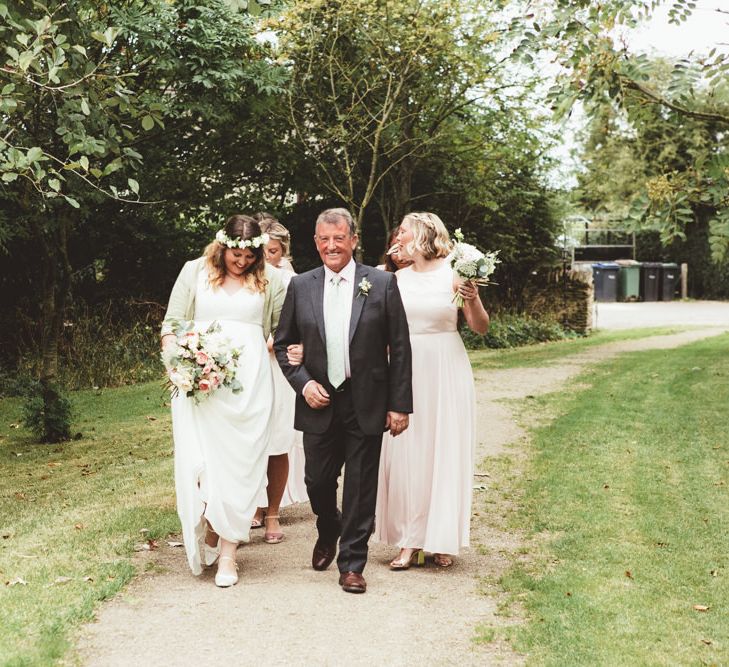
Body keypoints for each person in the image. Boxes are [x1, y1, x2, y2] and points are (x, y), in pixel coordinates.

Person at [274, 207, 413, 594]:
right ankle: (328, 525)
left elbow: (400, 348)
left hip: (366, 398)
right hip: (318, 399)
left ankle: (352, 563)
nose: (331, 246)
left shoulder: (381, 284)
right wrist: (303, 383)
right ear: (315, 242)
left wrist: (400, 404)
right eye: (324, 239)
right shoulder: (301, 285)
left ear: (353, 240)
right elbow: (284, 344)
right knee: (317, 481)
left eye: (339, 238)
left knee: (360, 486)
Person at [161, 215, 285, 587]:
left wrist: (267, 345)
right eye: (236, 253)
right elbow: (172, 324)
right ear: (222, 245)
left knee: (242, 465)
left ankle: (229, 554)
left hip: (249, 386)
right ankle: (212, 528)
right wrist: (180, 366)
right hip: (202, 387)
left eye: (250, 255)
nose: (242, 261)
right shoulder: (194, 272)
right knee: (205, 465)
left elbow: (283, 328)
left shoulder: (271, 280)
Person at [374, 212, 489, 569]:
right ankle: (408, 540)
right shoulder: (393, 278)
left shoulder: (453, 272)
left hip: (445, 365)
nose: (399, 235)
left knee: (444, 449)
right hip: (405, 368)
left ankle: (442, 539)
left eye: (405, 230)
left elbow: (481, 327)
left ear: (423, 234)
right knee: (406, 452)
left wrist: (470, 298)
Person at [250, 215, 308, 542]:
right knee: (248, 442)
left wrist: (267, 344)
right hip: (244, 366)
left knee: (276, 441)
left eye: (271, 250)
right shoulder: (238, 276)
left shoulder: (287, 281)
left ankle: (272, 513)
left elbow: (289, 327)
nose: (264, 255)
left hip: (273, 365)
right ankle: (251, 505)